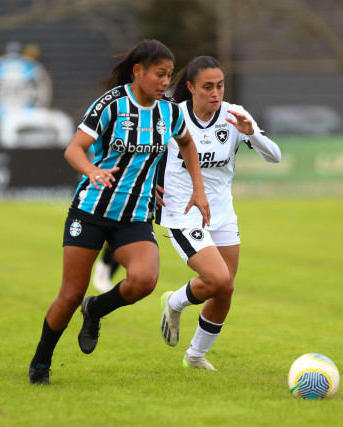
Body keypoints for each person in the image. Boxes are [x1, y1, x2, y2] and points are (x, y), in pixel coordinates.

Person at [28, 39, 210, 384]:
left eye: (169, 75)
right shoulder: (110, 105)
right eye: (159, 74)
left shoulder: (169, 112)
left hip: (134, 216)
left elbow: (186, 143)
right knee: (69, 296)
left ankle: (96, 309)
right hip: (92, 212)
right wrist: (92, 171)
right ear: (138, 71)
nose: (164, 82)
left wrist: (198, 190)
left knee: (144, 281)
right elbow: (74, 149)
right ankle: (41, 361)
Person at [157, 56, 281, 370]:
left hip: (223, 215)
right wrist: (148, 188)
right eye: (208, 87)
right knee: (216, 278)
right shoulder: (173, 116)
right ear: (190, 88)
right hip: (183, 214)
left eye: (220, 86)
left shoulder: (234, 115)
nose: (216, 93)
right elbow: (146, 154)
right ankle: (174, 302)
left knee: (225, 289)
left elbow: (275, 157)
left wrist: (251, 133)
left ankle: (195, 356)